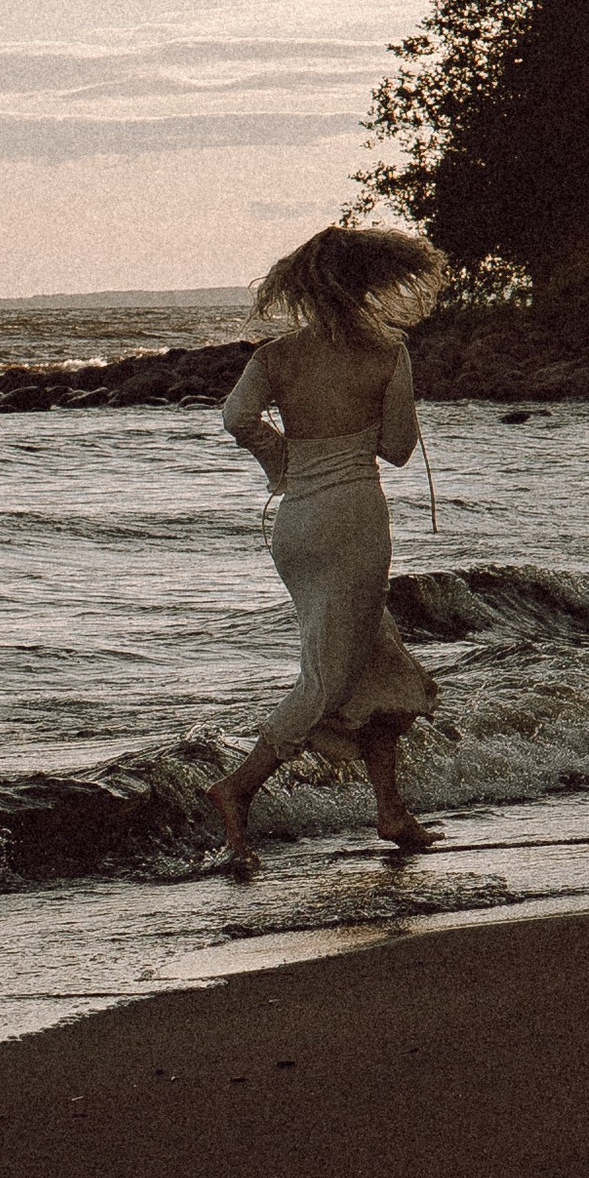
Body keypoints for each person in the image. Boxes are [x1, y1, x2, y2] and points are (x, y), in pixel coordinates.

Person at [204, 223, 448, 877]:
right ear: (369, 283)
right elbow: (396, 450)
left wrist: (282, 459)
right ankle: (237, 789)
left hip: (297, 527)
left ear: (306, 286)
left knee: (379, 663)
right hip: (353, 524)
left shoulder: (276, 355)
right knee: (328, 678)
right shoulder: (387, 352)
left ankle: (392, 812)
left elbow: (235, 418)